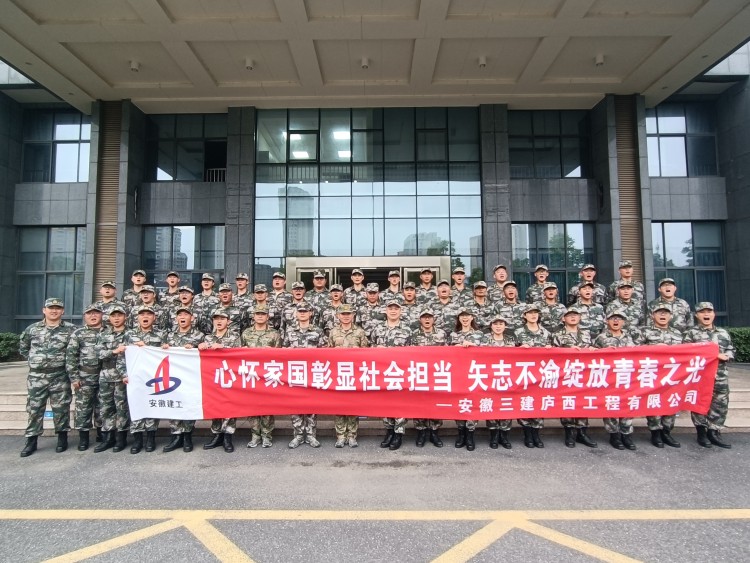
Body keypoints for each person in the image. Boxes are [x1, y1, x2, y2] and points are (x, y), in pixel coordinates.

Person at [18, 298, 76, 457]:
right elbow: (24, 349)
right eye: (51, 308)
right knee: (34, 409)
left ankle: (62, 439)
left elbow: (74, 351)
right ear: (44, 310)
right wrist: (38, 361)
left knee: (61, 408)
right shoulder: (32, 329)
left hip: (60, 375)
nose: (54, 311)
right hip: (37, 376)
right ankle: (31, 441)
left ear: (62, 311)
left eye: (57, 308)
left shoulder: (71, 330)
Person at [683, 302, 735, 449]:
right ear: (696, 315)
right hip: (700, 375)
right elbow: (686, 352)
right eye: (702, 312)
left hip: (720, 375)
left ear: (714, 314)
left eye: (709, 311)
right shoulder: (691, 333)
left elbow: (731, 349)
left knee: (720, 403)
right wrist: (711, 355)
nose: (706, 314)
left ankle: (714, 432)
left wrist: (727, 355)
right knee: (699, 402)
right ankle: (701, 432)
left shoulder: (723, 332)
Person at [551, 306, 597, 448]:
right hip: (566, 374)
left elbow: (595, 349)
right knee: (567, 402)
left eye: (575, 315)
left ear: (580, 318)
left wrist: (593, 350)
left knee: (582, 402)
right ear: (563, 319)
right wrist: (567, 351)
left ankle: (582, 433)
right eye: (569, 315)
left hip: (584, 374)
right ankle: (569, 432)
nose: (572, 317)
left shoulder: (586, 334)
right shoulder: (558, 335)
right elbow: (551, 354)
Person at [284, 303, 328, 448]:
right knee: (295, 405)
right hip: (295, 373)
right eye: (300, 311)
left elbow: (325, 351)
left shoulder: (318, 331)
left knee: (311, 405)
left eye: (305, 311)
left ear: (311, 313)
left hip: (312, 373)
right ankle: (297, 435)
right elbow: (283, 350)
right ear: (296, 314)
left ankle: (311, 435)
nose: (302, 313)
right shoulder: (290, 331)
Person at [161, 307, 205, 453]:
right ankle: (176, 437)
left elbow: (204, 351)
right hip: (173, 376)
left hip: (191, 377)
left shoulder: (199, 335)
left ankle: (187, 436)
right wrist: (163, 348)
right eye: (180, 315)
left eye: (186, 314)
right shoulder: (169, 335)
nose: (183, 317)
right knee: (174, 404)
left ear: (192, 318)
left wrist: (196, 347)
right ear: (176, 319)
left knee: (188, 405)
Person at [371, 300, 413, 450]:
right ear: (386, 311)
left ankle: (398, 433)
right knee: (385, 402)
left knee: (399, 403)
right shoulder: (378, 329)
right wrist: (376, 348)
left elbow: (413, 352)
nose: (393, 311)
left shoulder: (407, 330)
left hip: (400, 373)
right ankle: (389, 431)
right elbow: (370, 348)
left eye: (396, 309)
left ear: (400, 311)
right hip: (382, 373)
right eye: (390, 308)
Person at [594, 310, 637, 451]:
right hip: (609, 377)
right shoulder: (601, 338)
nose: (616, 321)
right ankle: (614, 435)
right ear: (607, 321)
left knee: (627, 404)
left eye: (619, 319)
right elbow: (592, 356)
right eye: (613, 318)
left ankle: (626, 434)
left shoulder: (629, 337)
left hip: (627, 377)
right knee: (611, 404)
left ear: (623, 322)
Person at [124, 305, 165, 454]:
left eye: (149, 314)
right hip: (135, 377)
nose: (145, 317)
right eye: (142, 314)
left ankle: (151, 438)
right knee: (136, 405)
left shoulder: (161, 335)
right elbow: (123, 356)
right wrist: (124, 373)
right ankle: (137, 440)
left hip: (153, 377)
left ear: (154, 317)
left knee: (152, 406)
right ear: (137, 317)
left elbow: (165, 355)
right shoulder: (129, 335)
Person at [642, 303, 683, 448]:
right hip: (653, 373)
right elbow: (634, 349)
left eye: (666, 313)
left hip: (673, 374)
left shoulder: (678, 333)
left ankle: (667, 432)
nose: (663, 315)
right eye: (659, 312)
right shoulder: (645, 332)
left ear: (671, 316)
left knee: (670, 401)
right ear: (652, 315)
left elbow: (688, 351)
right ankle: (655, 433)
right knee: (654, 402)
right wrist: (653, 348)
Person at [328, 304, 369, 448]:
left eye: (348, 314)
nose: (346, 316)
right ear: (338, 316)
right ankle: (340, 436)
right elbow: (327, 353)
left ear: (353, 315)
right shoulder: (333, 332)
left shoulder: (359, 332)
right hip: (338, 374)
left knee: (352, 405)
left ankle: (352, 435)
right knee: (339, 406)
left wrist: (359, 351)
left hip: (354, 374)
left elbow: (367, 353)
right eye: (343, 314)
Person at [241, 304, 281, 448]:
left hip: (268, 375)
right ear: (253, 316)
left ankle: (266, 435)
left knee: (267, 407)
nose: (260, 316)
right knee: (252, 406)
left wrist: (273, 351)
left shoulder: (274, 334)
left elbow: (281, 355)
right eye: (257, 314)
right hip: (251, 375)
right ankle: (255, 435)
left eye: (263, 314)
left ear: (267, 317)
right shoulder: (246, 333)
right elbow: (239, 353)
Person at [66, 304, 104, 451]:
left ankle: (102, 434)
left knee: (103, 406)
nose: (93, 316)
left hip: (105, 376)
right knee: (83, 408)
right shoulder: (78, 333)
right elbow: (71, 356)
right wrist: (74, 377)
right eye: (89, 314)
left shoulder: (109, 331)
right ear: (85, 316)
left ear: (102, 315)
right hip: (84, 377)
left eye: (96, 313)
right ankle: (83, 438)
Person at [199, 311, 239, 453]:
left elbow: (239, 354)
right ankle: (217, 435)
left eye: (222, 318)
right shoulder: (208, 338)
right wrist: (200, 347)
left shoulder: (234, 337)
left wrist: (224, 348)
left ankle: (228, 436)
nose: (219, 321)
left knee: (229, 406)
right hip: (212, 377)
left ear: (228, 321)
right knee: (215, 405)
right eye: (216, 319)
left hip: (229, 376)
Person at [515, 304, 552, 448]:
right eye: (530, 313)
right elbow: (509, 352)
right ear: (525, 316)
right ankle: (527, 433)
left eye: (536, 313)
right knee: (525, 401)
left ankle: (536, 433)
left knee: (538, 401)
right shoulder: (518, 332)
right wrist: (519, 349)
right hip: (524, 373)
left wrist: (550, 349)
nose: (533, 315)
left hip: (541, 374)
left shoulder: (546, 333)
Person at [94, 305, 130, 453]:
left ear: (125, 317)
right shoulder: (103, 335)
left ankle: (121, 439)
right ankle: (108, 438)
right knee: (106, 408)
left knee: (122, 408)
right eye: (113, 316)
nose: (116, 318)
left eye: (119, 315)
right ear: (109, 318)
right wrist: (115, 351)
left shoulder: (131, 334)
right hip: (106, 377)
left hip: (124, 378)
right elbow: (98, 354)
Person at [449, 309, 484, 451]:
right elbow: (445, 353)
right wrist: (455, 348)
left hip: (474, 374)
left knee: (472, 403)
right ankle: (461, 433)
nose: (465, 318)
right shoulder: (453, 335)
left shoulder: (479, 335)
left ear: (472, 317)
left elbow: (488, 352)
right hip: (457, 374)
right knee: (459, 403)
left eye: (467, 316)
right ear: (458, 319)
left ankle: (470, 434)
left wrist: (474, 347)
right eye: (462, 316)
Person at [411, 309, 447, 448]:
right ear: (420, 319)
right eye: (424, 317)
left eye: (429, 317)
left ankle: (434, 432)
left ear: (434, 319)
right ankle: (421, 432)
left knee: (436, 402)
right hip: (419, 373)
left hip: (436, 373)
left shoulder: (441, 334)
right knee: (419, 402)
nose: (427, 320)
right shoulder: (414, 335)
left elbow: (448, 353)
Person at [481, 315, 515, 449]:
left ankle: (504, 436)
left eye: (501, 324)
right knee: (492, 404)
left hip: (507, 378)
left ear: (505, 326)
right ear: (491, 326)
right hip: (490, 378)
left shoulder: (511, 340)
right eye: (495, 324)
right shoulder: (484, 340)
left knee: (506, 405)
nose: (498, 326)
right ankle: (494, 435)